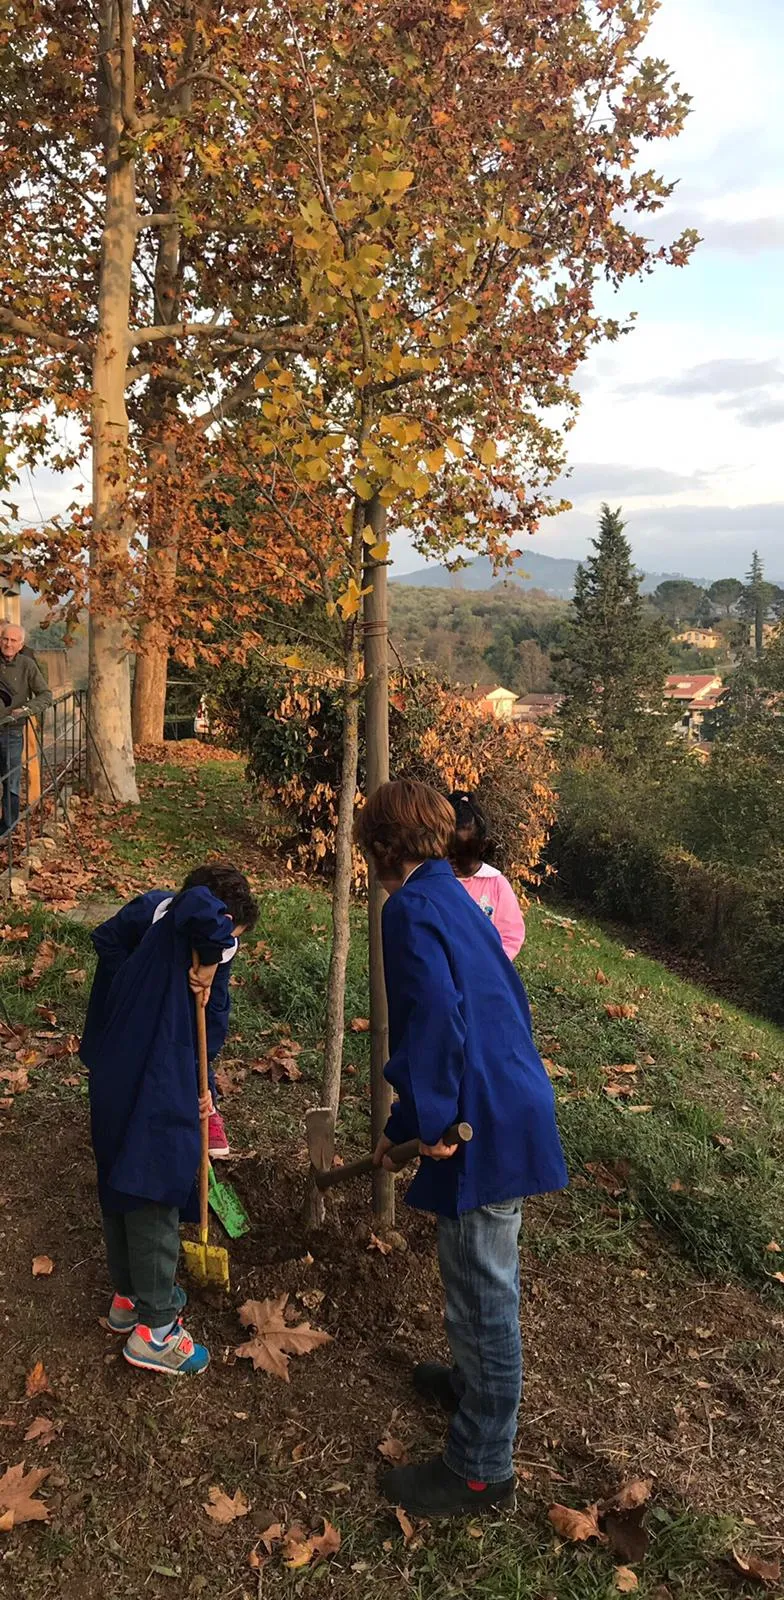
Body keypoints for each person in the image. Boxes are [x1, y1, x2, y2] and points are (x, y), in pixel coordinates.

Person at [354, 779, 567, 1519]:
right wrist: (406, 1120)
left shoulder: (408, 908)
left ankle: (480, 1469)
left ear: (381, 849)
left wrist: (431, 1121)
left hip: (482, 1116)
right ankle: (469, 1383)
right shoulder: (458, 892)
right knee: (477, 1276)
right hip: (504, 1092)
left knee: (483, 1292)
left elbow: (435, 1020)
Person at [80, 864, 258, 1376]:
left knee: (119, 1184)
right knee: (155, 1184)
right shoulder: (187, 915)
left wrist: (205, 1085)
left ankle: (128, 1299)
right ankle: (157, 1330)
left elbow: (214, 1019)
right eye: (227, 945)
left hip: (119, 1068)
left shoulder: (169, 927)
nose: (227, 957)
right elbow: (197, 907)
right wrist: (212, 951)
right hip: (152, 1075)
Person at [81, 862, 248, 1160]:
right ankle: (120, 1112)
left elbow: (214, 1012)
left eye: (231, 941)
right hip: (124, 1007)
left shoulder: (219, 946)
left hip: (177, 1005)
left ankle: (203, 1105)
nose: (228, 945)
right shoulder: (149, 910)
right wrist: (134, 981)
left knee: (182, 1046)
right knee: (120, 1069)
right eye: (224, 937)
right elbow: (106, 938)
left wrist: (202, 1081)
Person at [448, 790, 526, 961]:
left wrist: (493, 965)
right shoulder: (435, 880)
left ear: (482, 847)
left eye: (461, 856)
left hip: (481, 972)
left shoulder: (496, 884)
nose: (452, 862)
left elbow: (511, 936)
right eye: (446, 854)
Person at [0, 622, 52, 838]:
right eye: (5, 639)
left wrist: (26, 709)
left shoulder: (27, 665)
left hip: (12, 731)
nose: (8, 644)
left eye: (13, 640)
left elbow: (46, 695)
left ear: (21, 645)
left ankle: (8, 828)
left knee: (11, 779)